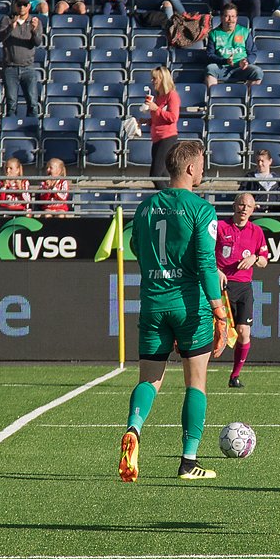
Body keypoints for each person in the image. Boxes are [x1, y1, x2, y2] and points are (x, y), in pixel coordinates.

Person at [117, 141, 232, 485]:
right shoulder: (201, 209)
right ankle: (188, 461)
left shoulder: (146, 207)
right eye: (201, 165)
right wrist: (219, 312)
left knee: (149, 379)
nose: (203, 170)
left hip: (153, 303)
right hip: (189, 307)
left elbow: (137, 246)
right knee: (195, 382)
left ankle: (134, 430)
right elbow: (205, 262)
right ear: (191, 169)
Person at [215, 192, 269, 389]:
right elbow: (204, 255)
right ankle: (197, 370)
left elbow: (264, 260)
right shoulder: (220, 227)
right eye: (241, 204)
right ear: (234, 206)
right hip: (220, 285)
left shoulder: (257, 232)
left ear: (253, 209)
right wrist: (217, 271)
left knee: (243, 332)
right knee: (214, 332)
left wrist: (254, 258)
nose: (244, 208)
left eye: (248, 206)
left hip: (244, 287)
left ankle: (234, 376)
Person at [0, 1, 43, 117]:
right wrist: (10, 28)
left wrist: (34, 30)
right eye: (19, 5)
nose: (21, 7)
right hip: (10, 68)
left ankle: (32, 131)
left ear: (28, 6)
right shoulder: (6, 20)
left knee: (33, 104)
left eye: (24, 5)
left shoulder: (34, 21)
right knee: (11, 104)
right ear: (15, 6)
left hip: (28, 68)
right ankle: (10, 131)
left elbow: (37, 42)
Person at [143, 66, 181, 188]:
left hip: (167, 137)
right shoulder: (159, 97)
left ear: (162, 79)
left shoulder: (172, 96)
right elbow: (159, 118)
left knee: (156, 174)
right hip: (157, 138)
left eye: (155, 78)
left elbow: (173, 117)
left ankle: (168, 201)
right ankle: (170, 201)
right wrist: (147, 121)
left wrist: (156, 109)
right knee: (164, 175)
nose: (152, 81)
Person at [205, 5, 263, 87]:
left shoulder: (244, 32)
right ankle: (214, 96)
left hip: (241, 68)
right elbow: (209, 55)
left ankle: (246, 96)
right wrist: (225, 61)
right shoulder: (214, 33)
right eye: (227, 16)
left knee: (257, 72)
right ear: (221, 18)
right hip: (221, 67)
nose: (230, 20)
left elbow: (253, 53)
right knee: (210, 68)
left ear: (236, 18)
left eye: (233, 16)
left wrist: (246, 61)